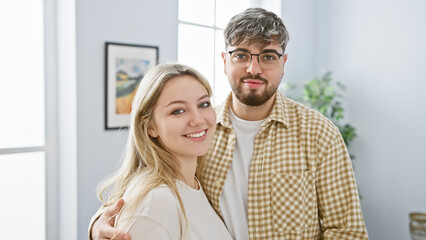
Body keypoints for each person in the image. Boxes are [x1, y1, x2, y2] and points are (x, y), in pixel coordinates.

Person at [90, 8, 368, 240]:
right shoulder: (200, 133)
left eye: (268, 56)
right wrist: (98, 224)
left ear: (284, 63)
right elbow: (147, 190)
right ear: (225, 61)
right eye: (242, 55)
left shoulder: (319, 134)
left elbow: (347, 232)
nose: (253, 69)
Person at [92, 63, 233, 240]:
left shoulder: (192, 183)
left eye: (204, 104)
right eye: (178, 111)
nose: (198, 120)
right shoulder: (156, 201)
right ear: (150, 127)